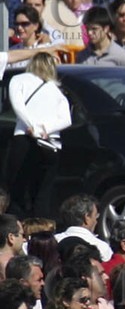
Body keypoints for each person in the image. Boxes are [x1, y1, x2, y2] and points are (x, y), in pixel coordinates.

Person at [5, 52, 71, 215]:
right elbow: (67, 119)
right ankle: (41, 234)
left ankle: (18, 233)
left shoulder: (18, 80)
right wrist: (45, 130)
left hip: (24, 139)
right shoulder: (56, 90)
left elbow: (18, 106)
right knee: (42, 194)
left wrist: (33, 127)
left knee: (17, 192)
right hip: (50, 144)